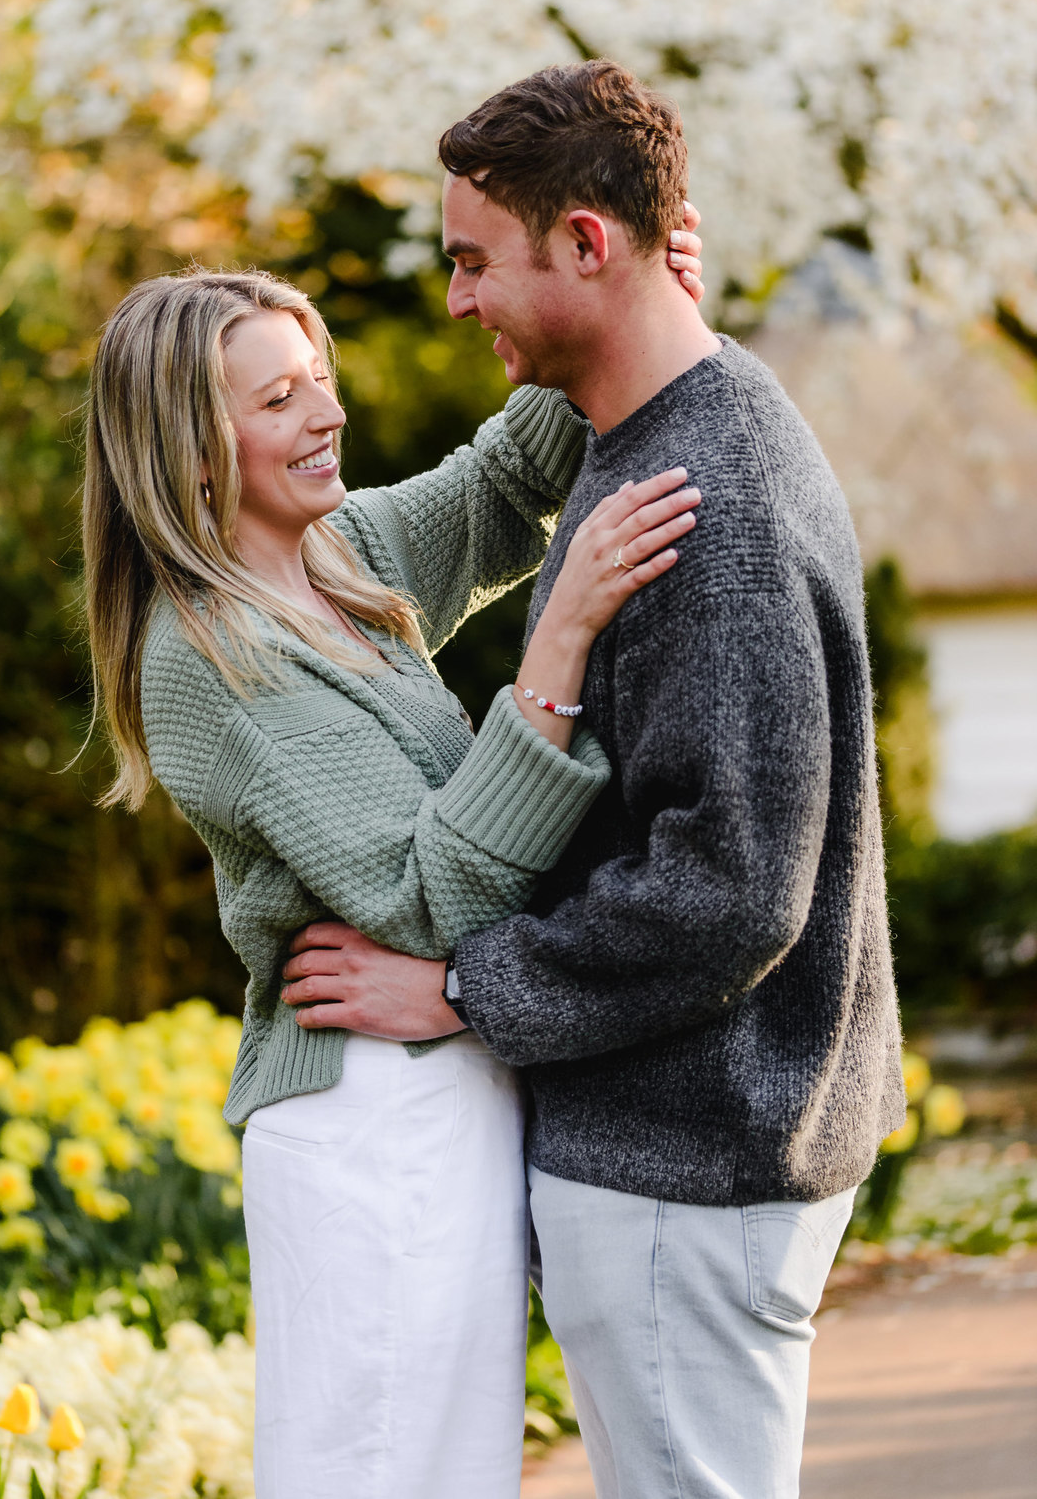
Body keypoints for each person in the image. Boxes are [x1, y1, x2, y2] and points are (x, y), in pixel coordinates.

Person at [281, 61, 906, 1499]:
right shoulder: (671, 435)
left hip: (691, 1163)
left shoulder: (711, 499)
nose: (455, 299)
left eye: (472, 260)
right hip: (689, 1151)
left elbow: (730, 888)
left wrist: (461, 990)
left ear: (586, 244)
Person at [80, 233, 704, 1498]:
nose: (331, 409)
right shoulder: (205, 657)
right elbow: (430, 895)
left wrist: (638, 287)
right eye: (280, 397)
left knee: (453, 1469)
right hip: (364, 1115)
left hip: (443, 1088)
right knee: (373, 1471)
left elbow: (495, 488)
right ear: (193, 451)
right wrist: (562, 635)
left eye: (319, 375)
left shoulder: (334, 557)